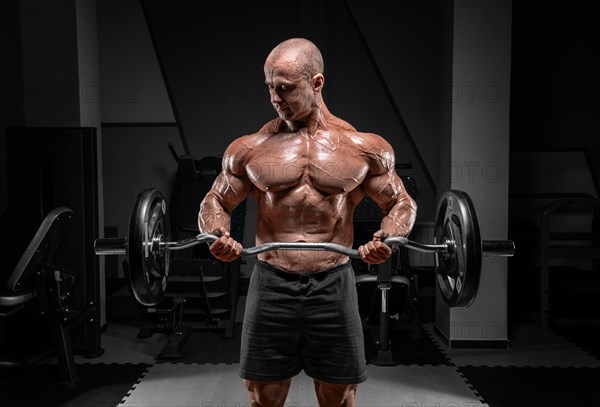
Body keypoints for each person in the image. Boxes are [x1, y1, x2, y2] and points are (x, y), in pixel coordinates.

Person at [198, 38, 417, 407]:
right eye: (269, 87)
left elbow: (400, 203)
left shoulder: (361, 146)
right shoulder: (251, 148)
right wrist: (217, 234)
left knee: (339, 395)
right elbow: (214, 200)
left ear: (317, 83)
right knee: (263, 395)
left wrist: (389, 238)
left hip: (333, 281)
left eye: (285, 89)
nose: (275, 98)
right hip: (271, 282)